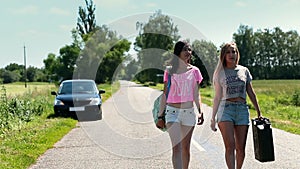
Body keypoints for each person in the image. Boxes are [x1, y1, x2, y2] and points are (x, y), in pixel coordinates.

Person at [210, 42, 262, 169]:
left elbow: (250, 92)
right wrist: (213, 117)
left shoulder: (244, 70)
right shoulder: (219, 73)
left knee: (240, 148)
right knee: (230, 146)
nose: (231, 54)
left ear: (237, 54)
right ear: (223, 55)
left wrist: (259, 111)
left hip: (242, 110)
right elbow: (217, 97)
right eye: (228, 52)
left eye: (233, 51)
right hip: (225, 109)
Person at [157, 40, 204, 169]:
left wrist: (200, 111)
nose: (188, 52)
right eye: (185, 49)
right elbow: (165, 94)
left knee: (185, 148)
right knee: (176, 147)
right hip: (172, 112)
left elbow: (196, 94)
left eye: (189, 50)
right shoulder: (169, 71)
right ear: (178, 52)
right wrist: (160, 116)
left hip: (189, 112)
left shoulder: (195, 71)